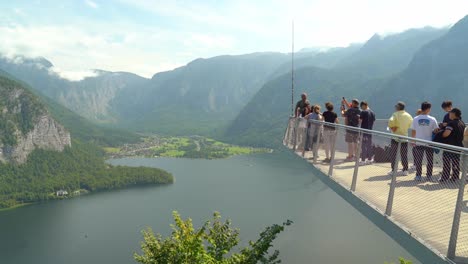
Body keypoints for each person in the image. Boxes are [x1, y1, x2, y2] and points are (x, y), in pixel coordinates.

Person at [411, 102, 439, 181]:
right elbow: (436, 130)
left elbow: (413, 131)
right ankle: (429, 175)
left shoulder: (415, 118)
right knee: (430, 160)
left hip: (418, 142)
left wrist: (413, 140)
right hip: (429, 142)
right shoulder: (432, 119)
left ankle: (418, 175)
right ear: (428, 109)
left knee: (418, 160)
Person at [439, 108, 465, 182]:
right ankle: (455, 177)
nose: (449, 114)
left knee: (447, 162)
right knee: (456, 162)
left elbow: (446, 133)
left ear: (454, 114)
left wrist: (441, 134)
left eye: (450, 113)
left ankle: (444, 177)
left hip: (449, 146)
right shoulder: (462, 123)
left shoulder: (451, 123)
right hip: (459, 145)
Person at [388, 101, 413, 176]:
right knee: (404, 154)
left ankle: (393, 170)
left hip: (395, 137)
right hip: (404, 137)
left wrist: (393, 128)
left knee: (394, 154)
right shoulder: (408, 115)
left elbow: (391, 121)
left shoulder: (395, 114)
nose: (395, 107)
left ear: (398, 107)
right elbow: (411, 124)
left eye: (396, 106)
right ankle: (405, 170)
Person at [359, 101, 376, 165]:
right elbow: (373, 121)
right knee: (369, 145)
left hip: (363, 131)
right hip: (370, 131)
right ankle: (369, 159)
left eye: (361, 106)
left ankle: (363, 160)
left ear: (364, 105)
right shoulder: (372, 112)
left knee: (363, 146)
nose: (361, 108)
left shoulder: (363, 112)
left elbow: (360, 121)